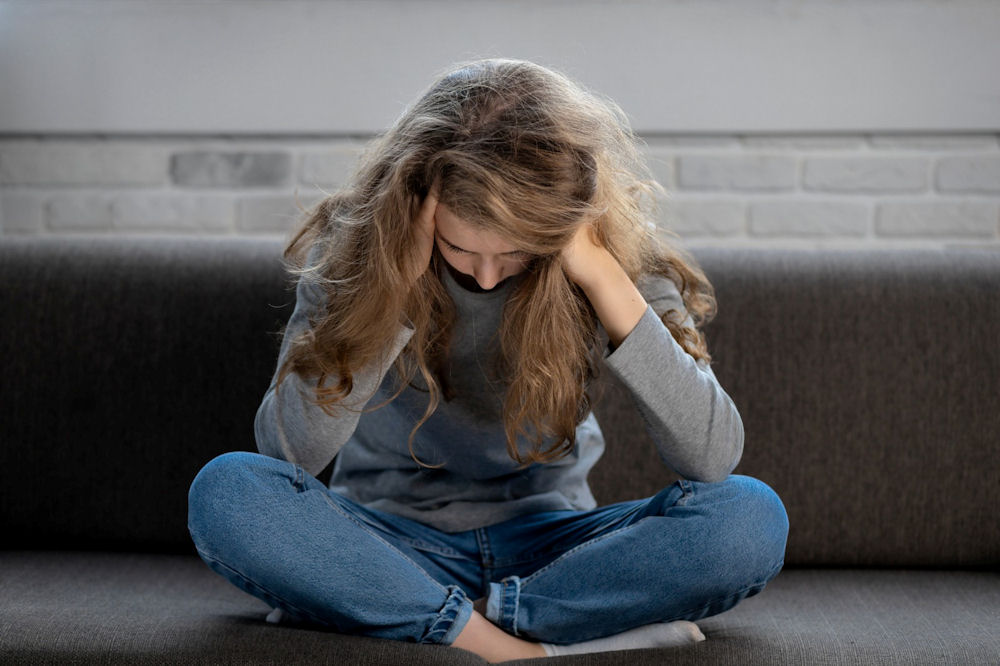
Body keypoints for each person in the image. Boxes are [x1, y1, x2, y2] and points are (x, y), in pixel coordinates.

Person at [187, 58, 788, 662]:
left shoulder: (618, 265)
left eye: (518, 252)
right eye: (457, 247)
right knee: (229, 490)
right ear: (416, 206)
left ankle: (428, 616)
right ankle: (512, 645)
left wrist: (604, 280)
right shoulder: (352, 255)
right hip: (390, 540)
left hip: (556, 547)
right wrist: (388, 289)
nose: (484, 274)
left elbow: (711, 457)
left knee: (750, 517)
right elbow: (287, 454)